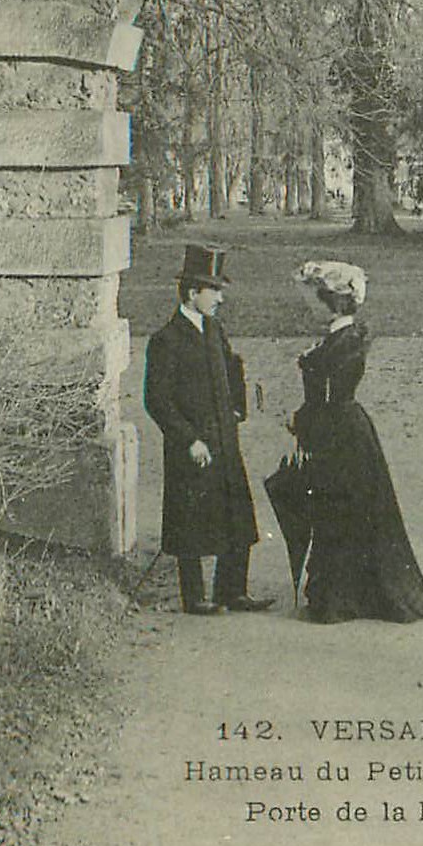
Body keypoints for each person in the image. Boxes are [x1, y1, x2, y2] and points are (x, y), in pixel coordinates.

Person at [290, 259, 423, 625]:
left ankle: (343, 598)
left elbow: (328, 397)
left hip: (340, 431)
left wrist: (302, 421)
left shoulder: (345, 342)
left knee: (341, 507)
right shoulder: (342, 336)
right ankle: (345, 594)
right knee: (343, 508)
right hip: (342, 427)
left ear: (330, 302)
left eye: (313, 300)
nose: (308, 307)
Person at [144, 244, 273, 617]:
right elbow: (157, 400)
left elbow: (232, 369)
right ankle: (195, 596)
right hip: (192, 447)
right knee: (191, 519)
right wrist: (189, 440)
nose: (220, 299)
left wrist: (237, 409)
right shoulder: (166, 340)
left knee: (236, 512)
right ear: (191, 293)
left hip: (224, 439)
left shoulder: (215, 330)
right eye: (213, 291)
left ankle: (233, 591)